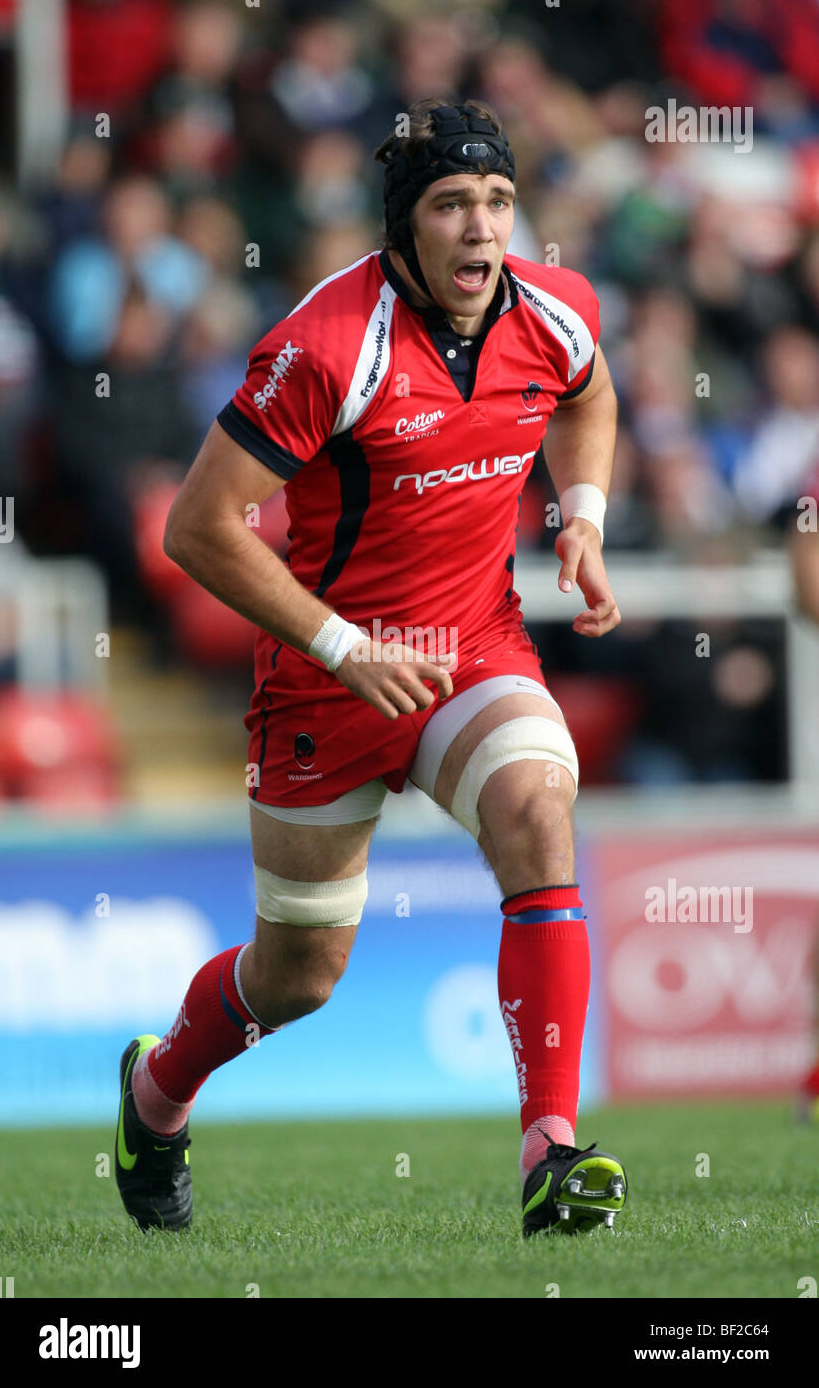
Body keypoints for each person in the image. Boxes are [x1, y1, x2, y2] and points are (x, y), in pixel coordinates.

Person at [115, 99, 627, 1237]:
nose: (481, 228)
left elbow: (588, 396)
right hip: (323, 677)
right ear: (402, 227)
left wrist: (580, 515)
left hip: (475, 647)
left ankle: (548, 1147)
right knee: (297, 975)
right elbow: (198, 527)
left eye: (497, 201)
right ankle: (156, 1096)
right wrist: (342, 647)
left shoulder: (554, 309)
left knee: (540, 807)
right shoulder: (328, 344)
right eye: (451, 205)